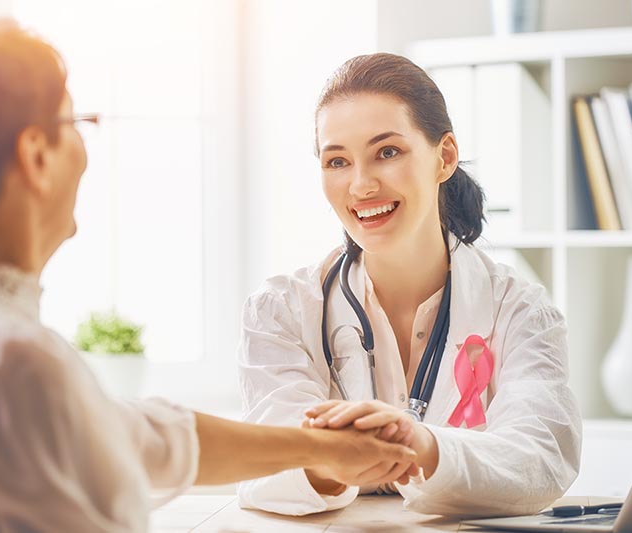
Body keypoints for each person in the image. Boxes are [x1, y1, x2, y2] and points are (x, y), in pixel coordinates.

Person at [0, 23, 419, 532]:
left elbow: (131, 434)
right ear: (36, 155)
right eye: (76, 123)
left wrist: (319, 448)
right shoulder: (10, 362)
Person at [237, 52, 582, 517]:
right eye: (336, 161)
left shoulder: (520, 311)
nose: (361, 186)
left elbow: (541, 458)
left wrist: (422, 446)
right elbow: (263, 461)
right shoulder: (280, 310)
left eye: (387, 152)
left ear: (445, 157)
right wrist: (332, 459)